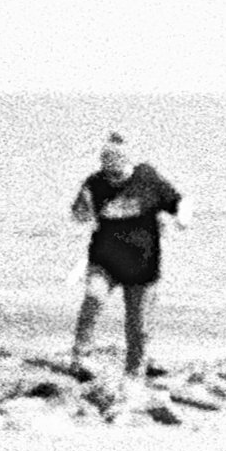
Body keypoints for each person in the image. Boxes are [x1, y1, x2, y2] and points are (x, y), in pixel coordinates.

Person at [67, 134, 185, 377]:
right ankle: (80, 358)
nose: (111, 166)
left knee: (138, 324)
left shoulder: (147, 177)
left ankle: (134, 371)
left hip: (142, 263)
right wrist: (82, 210)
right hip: (104, 260)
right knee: (93, 298)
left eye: (115, 159)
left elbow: (179, 201)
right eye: (105, 160)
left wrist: (183, 218)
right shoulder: (95, 182)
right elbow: (78, 214)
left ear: (126, 159)